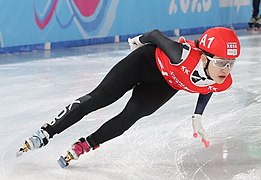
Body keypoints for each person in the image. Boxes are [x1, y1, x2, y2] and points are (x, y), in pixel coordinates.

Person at [18, 27, 241, 164]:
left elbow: (208, 87)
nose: (226, 69)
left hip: (164, 85)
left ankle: (86, 145)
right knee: (99, 98)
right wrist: (137, 42)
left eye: (230, 64)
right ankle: (46, 132)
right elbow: (154, 34)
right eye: (221, 63)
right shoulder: (181, 55)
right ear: (204, 58)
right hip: (144, 63)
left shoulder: (224, 81)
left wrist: (197, 116)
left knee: (130, 116)